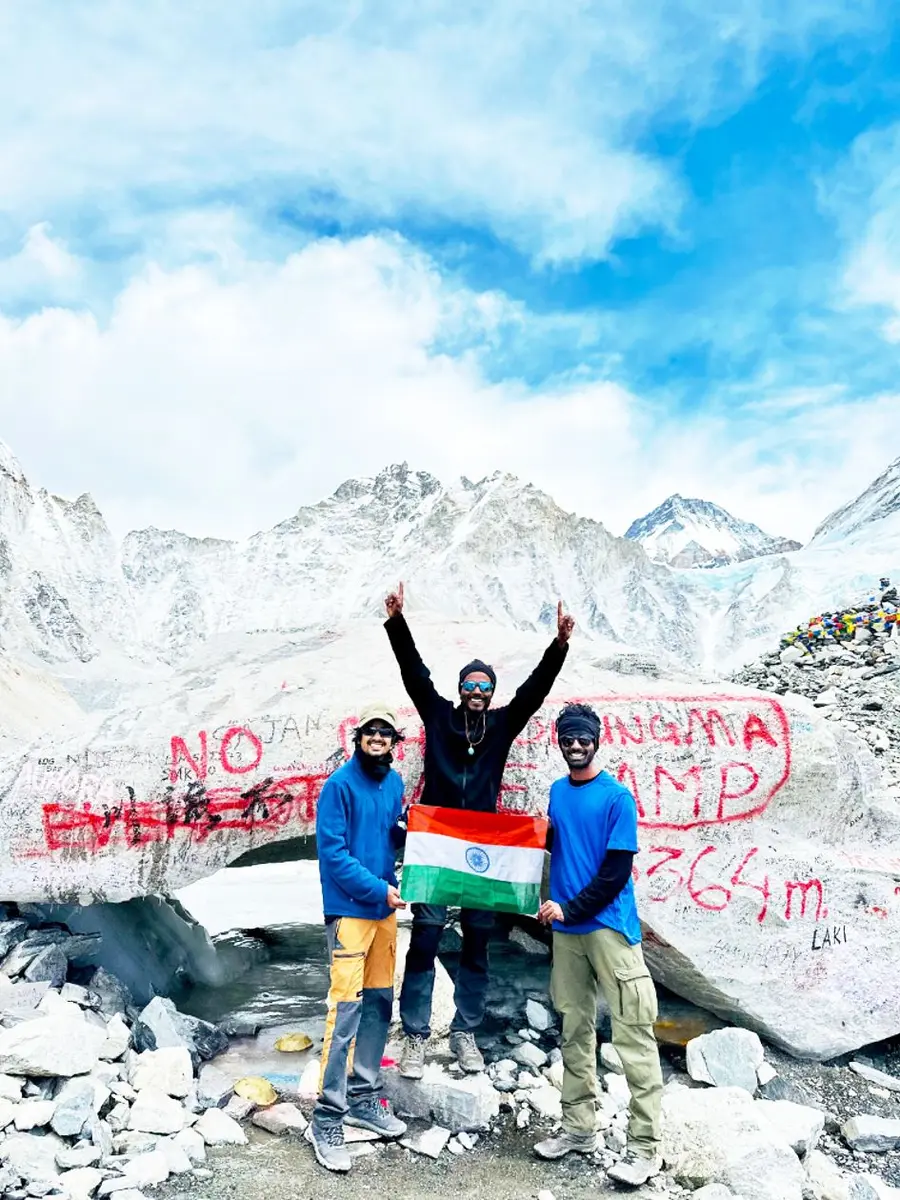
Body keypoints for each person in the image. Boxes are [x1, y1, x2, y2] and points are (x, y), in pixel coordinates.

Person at [384, 581, 574, 1078]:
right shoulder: (438, 716)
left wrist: (558, 646)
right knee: (424, 935)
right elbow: (414, 673)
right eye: (469, 684)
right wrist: (397, 622)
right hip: (435, 842)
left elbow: (534, 692)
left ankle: (465, 1032)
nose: (476, 692)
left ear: (491, 693)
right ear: (460, 688)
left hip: (484, 848)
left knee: (476, 938)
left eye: (484, 686)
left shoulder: (503, 725)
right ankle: (416, 1037)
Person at [536, 702, 663, 1189]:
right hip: (568, 935)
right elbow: (557, 846)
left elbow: (614, 873)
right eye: (567, 737)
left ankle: (647, 1148)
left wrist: (570, 908)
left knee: (633, 1032)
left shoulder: (617, 798)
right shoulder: (557, 793)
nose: (575, 744)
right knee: (574, 1027)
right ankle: (578, 1129)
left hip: (609, 928)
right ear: (560, 741)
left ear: (596, 739)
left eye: (582, 737)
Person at [309, 704, 409, 1173]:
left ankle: (365, 1096)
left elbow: (391, 836)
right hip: (351, 912)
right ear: (357, 737)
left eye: (385, 733)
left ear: (394, 741)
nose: (377, 738)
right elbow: (334, 856)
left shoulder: (393, 784)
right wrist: (379, 890)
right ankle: (327, 1115)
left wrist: (414, 850)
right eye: (370, 731)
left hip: (385, 912)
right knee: (344, 1009)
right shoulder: (338, 787)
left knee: (379, 1003)